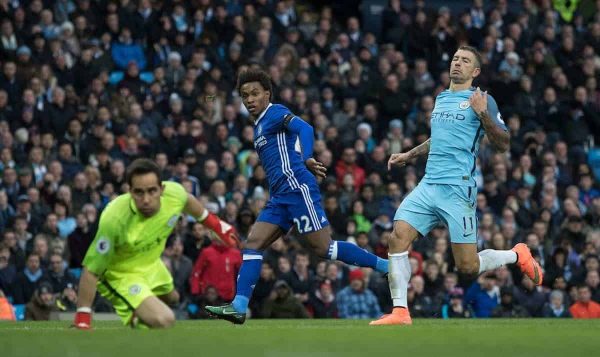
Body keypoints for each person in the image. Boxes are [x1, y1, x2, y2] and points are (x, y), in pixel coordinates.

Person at [371, 46, 543, 325]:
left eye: (465, 61)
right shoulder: (441, 98)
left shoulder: (482, 99)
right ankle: (400, 311)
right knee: (397, 236)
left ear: (475, 71)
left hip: (457, 189)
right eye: (454, 59)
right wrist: (408, 155)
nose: (457, 64)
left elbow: (503, 143)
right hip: (429, 184)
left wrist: (483, 114)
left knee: (467, 266)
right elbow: (438, 139)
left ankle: (516, 254)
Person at [205, 69, 388, 324]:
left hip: (297, 189)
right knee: (252, 244)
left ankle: (386, 267)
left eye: (255, 93)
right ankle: (238, 306)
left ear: (267, 94)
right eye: (245, 95)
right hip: (279, 197)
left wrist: (307, 158)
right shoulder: (258, 126)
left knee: (324, 248)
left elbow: (305, 128)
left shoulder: (275, 112)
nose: (249, 99)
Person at [73, 158, 239, 329]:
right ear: (129, 191)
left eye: (152, 191)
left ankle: (142, 308)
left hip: (150, 264)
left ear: (162, 189)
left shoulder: (174, 194)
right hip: (121, 274)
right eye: (139, 192)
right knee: (164, 319)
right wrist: (83, 317)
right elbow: (91, 269)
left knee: (173, 298)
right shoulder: (114, 220)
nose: (146, 199)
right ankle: (136, 317)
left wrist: (219, 226)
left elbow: (188, 201)